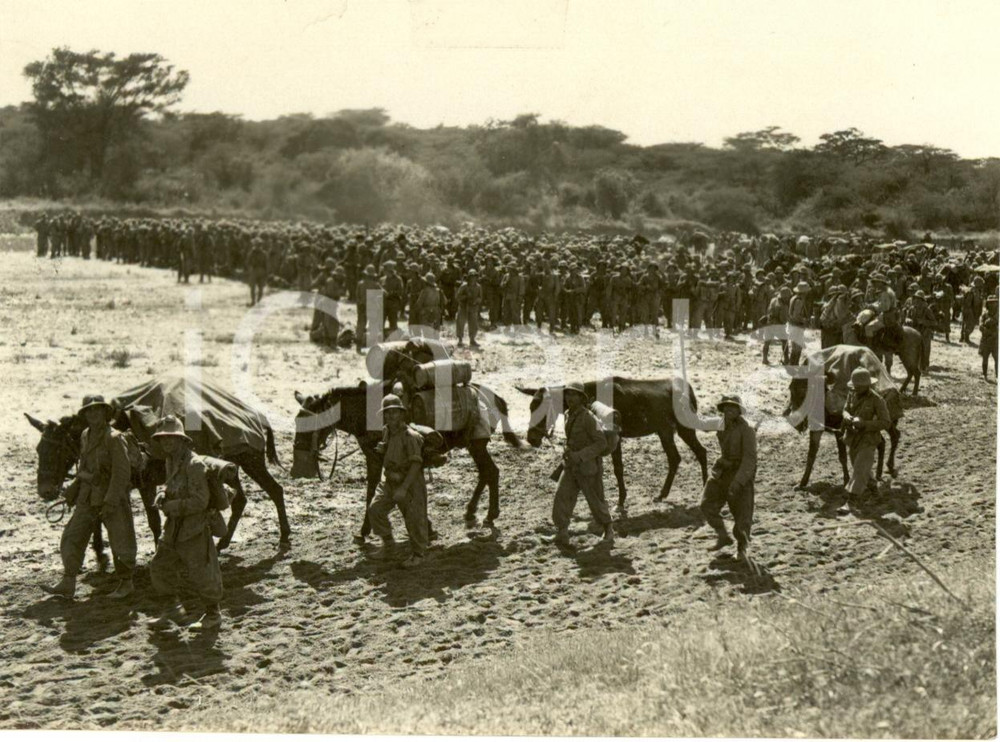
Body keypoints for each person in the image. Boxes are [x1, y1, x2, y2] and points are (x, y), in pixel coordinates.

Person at [43, 395, 136, 600]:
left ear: (105, 412)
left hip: (111, 497)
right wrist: (74, 489)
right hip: (87, 497)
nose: (93, 414)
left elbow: (122, 473)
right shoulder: (85, 435)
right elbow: (84, 467)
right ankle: (68, 581)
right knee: (72, 536)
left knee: (121, 539)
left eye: (97, 409)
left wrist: (111, 501)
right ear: (84, 415)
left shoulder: (115, 438)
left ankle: (126, 583)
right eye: (89, 410)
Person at [147, 416, 224, 630]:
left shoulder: (194, 464)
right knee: (160, 566)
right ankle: (172, 610)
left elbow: (200, 501)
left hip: (194, 527)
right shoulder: (171, 460)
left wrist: (172, 506)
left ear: (181, 440)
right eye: (163, 438)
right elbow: (170, 484)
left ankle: (213, 614)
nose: (166, 442)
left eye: (171, 438)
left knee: (202, 572)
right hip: (174, 527)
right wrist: (162, 493)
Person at [367, 395, 429, 568]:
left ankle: (418, 555)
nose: (390, 416)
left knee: (414, 519)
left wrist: (404, 488)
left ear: (401, 414)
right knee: (375, 509)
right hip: (390, 481)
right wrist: (383, 449)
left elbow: (416, 464)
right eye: (387, 413)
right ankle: (389, 546)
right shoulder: (387, 431)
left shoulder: (411, 436)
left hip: (410, 482)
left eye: (394, 412)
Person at [551, 382, 614, 549]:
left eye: (574, 395)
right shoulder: (567, 414)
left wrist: (579, 455)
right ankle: (562, 532)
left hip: (588, 467)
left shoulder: (588, 417)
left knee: (595, 501)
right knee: (561, 497)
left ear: (581, 398)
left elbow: (601, 443)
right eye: (567, 394)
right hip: (571, 465)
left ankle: (608, 530)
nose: (569, 398)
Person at [700, 395, 757, 571]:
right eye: (726, 407)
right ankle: (723, 536)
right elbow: (700, 424)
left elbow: (750, 460)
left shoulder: (747, 430)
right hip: (723, 470)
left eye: (733, 407)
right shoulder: (720, 424)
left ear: (739, 411)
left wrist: (738, 482)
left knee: (742, 514)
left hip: (740, 472)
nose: (729, 410)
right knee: (706, 504)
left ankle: (742, 549)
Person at [840, 368, 891, 513]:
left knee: (860, 469)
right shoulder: (852, 394)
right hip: (853, 439)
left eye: (859, 386)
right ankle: (875, 493)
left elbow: (886, 422)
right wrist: (847, 416)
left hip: (868, 440)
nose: (855, 388)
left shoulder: (877, 400)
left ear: (867, 385)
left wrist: (864, 424)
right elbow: (845, 409)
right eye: (854, 386)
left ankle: (851, 502)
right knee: (861, 469)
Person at [455, 269, 483, 348]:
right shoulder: (464, 286)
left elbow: (480, 297)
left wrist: (476, 301)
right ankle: (460, 339)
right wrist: (466, 297)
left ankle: (472, 339)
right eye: (471, 277)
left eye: (474, 277)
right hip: (463, 307)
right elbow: (457, 296)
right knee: (460, 323)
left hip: (473, 308)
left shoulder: (478, 287)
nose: (473, 278)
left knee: (473, 324)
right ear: (469, 277)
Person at [980, 295, 998, 381]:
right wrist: (988, 332)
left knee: (997, 358)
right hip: (986, 339)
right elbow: (981, 326)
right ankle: (984, 374)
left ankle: (997, 376)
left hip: (996, 340)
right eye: (990, 303)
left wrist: (995, 333)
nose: (992, 304)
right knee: (985, 358)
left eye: (994, 302)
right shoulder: (984, 314)